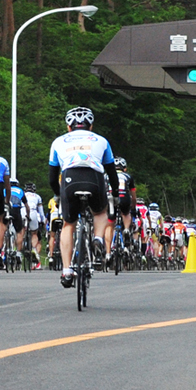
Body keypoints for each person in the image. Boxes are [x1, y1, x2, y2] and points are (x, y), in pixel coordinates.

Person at [48, 106, 116, 289]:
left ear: (69, 127)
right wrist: (116, 192)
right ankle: (98, 239)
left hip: (70, 179)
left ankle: (67, 270)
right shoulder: (101, 140)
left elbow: (52, 177)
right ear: (90, 126)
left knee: (68, 224)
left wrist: (57, 195)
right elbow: (112, 171)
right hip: (94, 178)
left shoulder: (58, 142)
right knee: (100, 212)